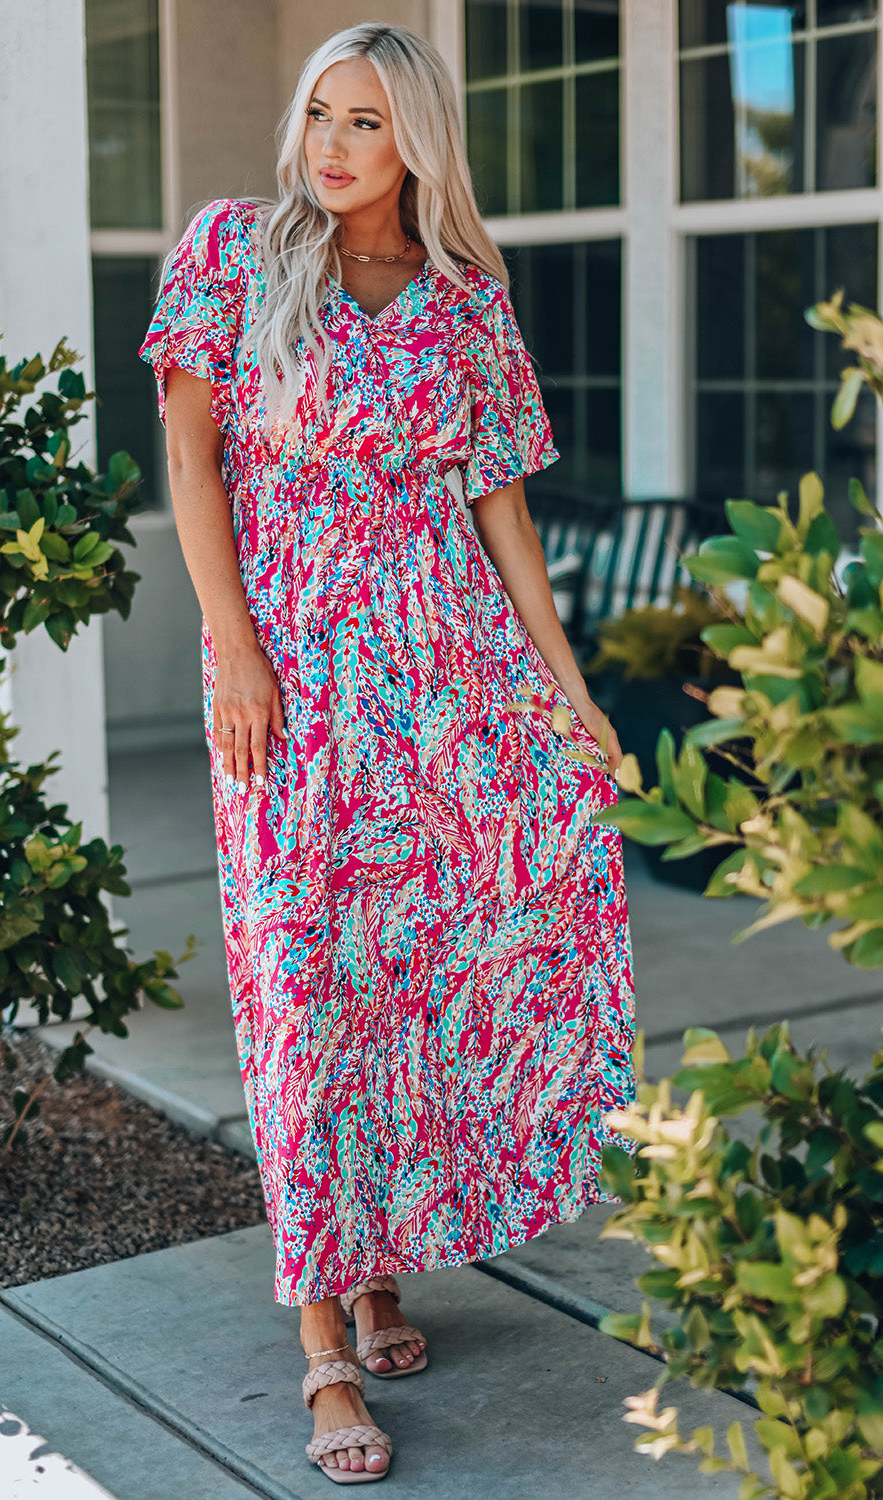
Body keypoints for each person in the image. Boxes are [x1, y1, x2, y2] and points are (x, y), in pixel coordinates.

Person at [139, 20, 636, 1486]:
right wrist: (232, 647)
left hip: (449, 674)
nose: (333, 146)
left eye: (365, 122)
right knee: (306, 983)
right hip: (292, 680)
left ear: (417, 139)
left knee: (424, 967)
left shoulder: (467, 304)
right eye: (319, 117)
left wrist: (568, 690)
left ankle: (382, 1263)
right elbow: (190, 458)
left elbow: (504, 522)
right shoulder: (232, 250)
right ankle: (322, 1356)